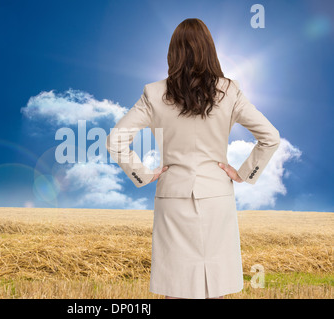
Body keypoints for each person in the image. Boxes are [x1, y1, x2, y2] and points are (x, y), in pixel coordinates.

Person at [105, 18, 280, 299]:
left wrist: (143, 174)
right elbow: (270, 137)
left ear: (172, 53)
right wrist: (244, 173)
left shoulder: (154, 93)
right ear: (210, 50)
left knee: (176, 285)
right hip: (217, 196)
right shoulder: (230, 91)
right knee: (216, 285)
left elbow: (115, 140)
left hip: (172, 197)